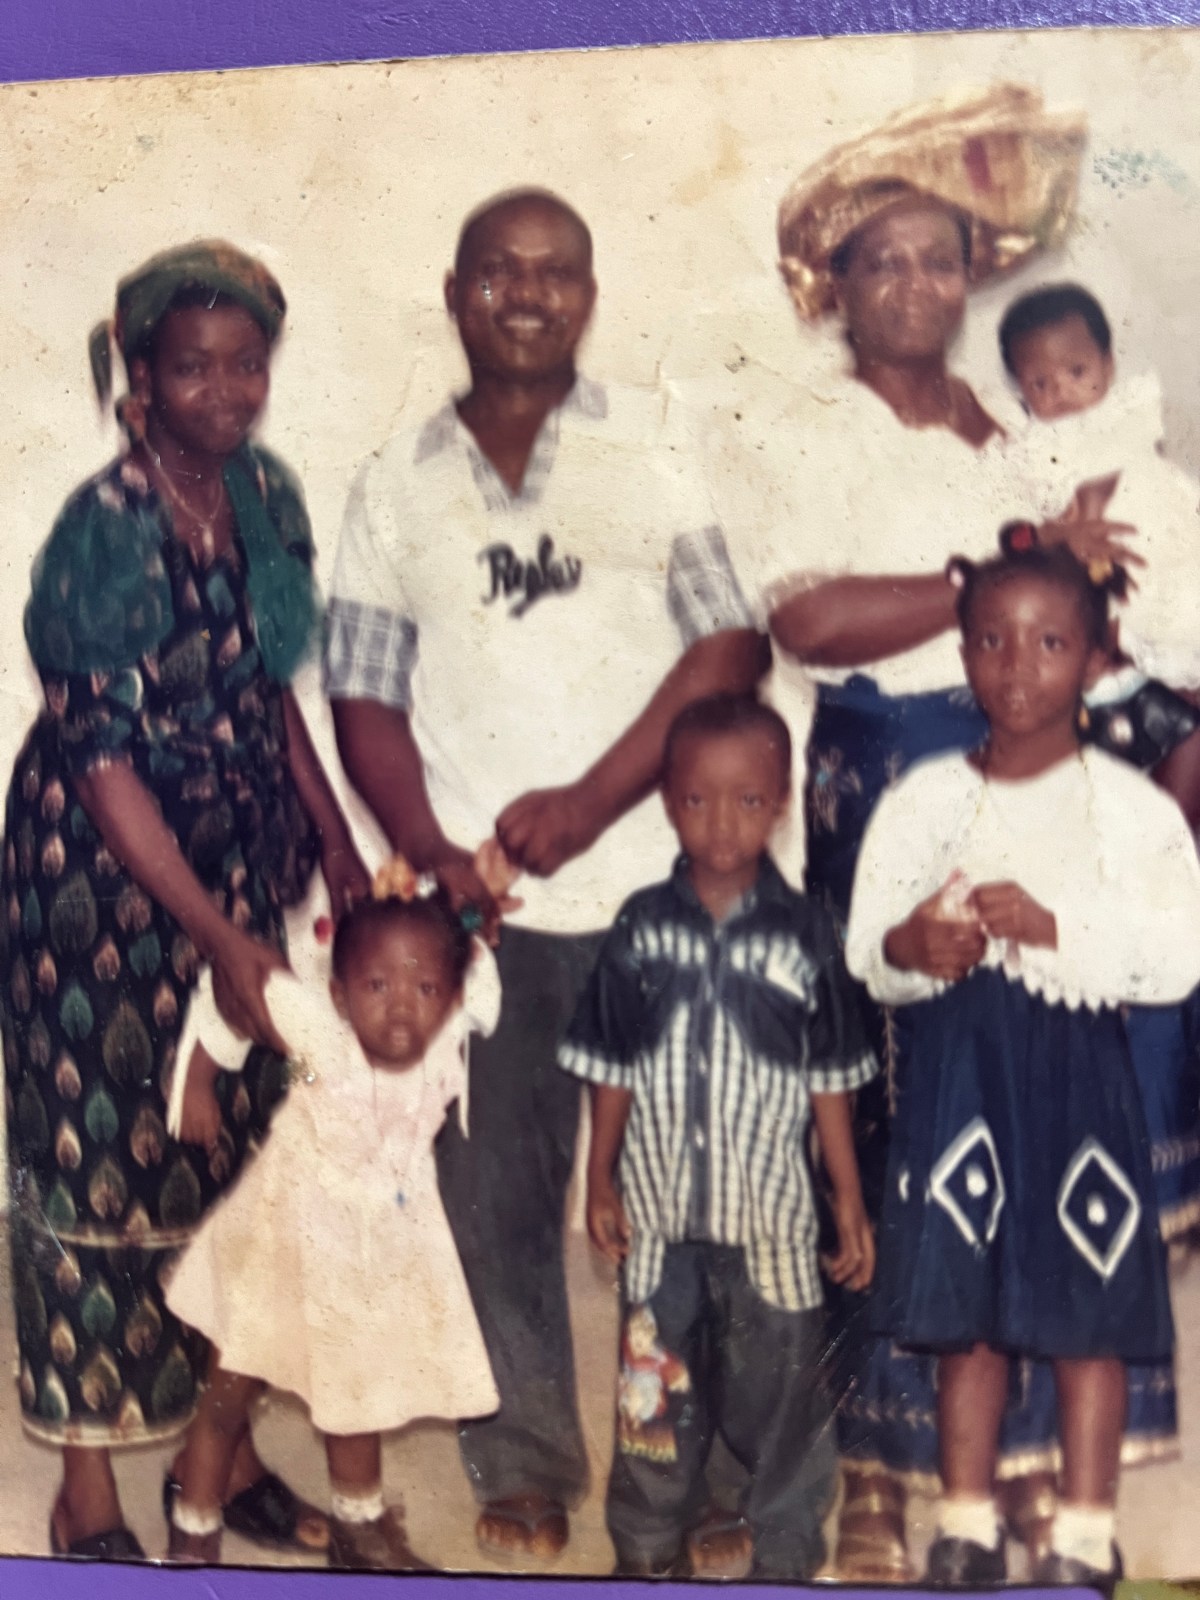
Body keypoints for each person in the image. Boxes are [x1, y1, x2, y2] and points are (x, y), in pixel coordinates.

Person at [715, 84, 1175, 1578]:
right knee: (899, 1113)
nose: (914, 284)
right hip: (890, 776)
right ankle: (873, 1474)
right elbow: (808, 618)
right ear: (835, 285)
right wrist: (998, 572)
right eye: (883, 262)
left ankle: (1025, 1467)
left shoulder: (1007, 422)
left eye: (938, 258)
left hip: (1033, 763)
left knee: (1040, 1094)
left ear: (974, 273)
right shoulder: (812, 426)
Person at [323, 187, 766, 1565]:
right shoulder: (394, 481)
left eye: (557, 271)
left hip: (661, 888)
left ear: (590, 294)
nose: (528, 294)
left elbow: (731, 648)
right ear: (455, 293)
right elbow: (363, 695)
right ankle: (523, 1454)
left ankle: (686, 1465)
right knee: (494, 1193)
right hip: (487, 912)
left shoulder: (654, 446)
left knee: (682, 1198)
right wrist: (441, 863)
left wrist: (592, 799)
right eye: (499, 272)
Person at [2, 241, 370, 1559]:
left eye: (247, 363)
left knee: (233, 1165)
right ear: (142, 381)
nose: (227, 389)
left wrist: (338, 845)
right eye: (194, 366)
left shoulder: (265, 495)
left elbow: (274, 694)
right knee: (96, 1166)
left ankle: (223, 1451)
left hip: (239, 860)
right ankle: (87, 1487)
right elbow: (101, 759)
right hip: (97, 885)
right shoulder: (102, 530)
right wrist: (218, 939)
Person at [845, 543, 1200, 1586]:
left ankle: (1085, 1533)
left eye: (1050, 643)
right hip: (963, 1082)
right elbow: (870, 946)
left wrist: (1052, 925)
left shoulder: (1130, 809)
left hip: (1081, 1085)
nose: (1017, 666)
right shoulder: (924, 799)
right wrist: (915, 944)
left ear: (1095, 658)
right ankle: (965, 1524)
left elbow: (1178, 953)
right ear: (963, 655)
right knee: (970, 1317)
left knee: (1090, 1313)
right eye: (993, 640)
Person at [561, 693, 877, 1579]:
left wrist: (847, 1198)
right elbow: (611, 1064)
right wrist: (600, 1176)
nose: (722, 824)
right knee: (651, 1401)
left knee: (784, 1401)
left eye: (747, 801)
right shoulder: (641, 926)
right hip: (659, 1226)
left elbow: (831, 1081)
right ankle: (645, 1553)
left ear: (779, 805)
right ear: (668, 801)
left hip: (773, 1226)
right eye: (698, 800)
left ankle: (785, 1556)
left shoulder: (806, 935)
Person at [163, 878, 501, 1569]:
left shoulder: (450, 1034)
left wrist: (469, 905)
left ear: (452, 997)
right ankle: (193, 1524)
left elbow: (479, 954)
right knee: (231, 1389)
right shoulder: (321, 1032)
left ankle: (360, 1527)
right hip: (283, 1241)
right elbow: (231, 993)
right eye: (377, 987)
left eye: (425, 989)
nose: (401, 1006)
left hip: (376, 1251)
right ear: (340, 996)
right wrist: (197, 1081)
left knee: (360, 1386)